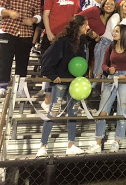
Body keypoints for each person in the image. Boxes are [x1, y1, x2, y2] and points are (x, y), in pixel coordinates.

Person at [36, 15, 88, 157]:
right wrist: (53, 76)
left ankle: (71, 144)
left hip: (75, 83)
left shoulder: (82, 42)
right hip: (61, 82)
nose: (87, 28)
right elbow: (48, 59)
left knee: (73, 112)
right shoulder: (63, 41)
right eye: (85, 25)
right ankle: (43, 145)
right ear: (78, 27)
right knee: (53, 111)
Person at [87, 24, 126, 153]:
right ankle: (98, 142)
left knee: (122, 110)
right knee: (103, 110)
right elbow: (104, 63)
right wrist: (108, 69)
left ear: (123, 33)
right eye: (114, 31)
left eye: (116, 31)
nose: (114, 33)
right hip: (111, 78)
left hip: (125, 79)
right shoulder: (110, 47)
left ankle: (117, 141)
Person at [0, 0, 42, 98]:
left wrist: (33, 19)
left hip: (25, 34)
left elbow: (38, 15)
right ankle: (2, 87)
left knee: (22, 62)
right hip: (9, 31)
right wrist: (9, 12)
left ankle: (20, 89)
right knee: (5, 60)